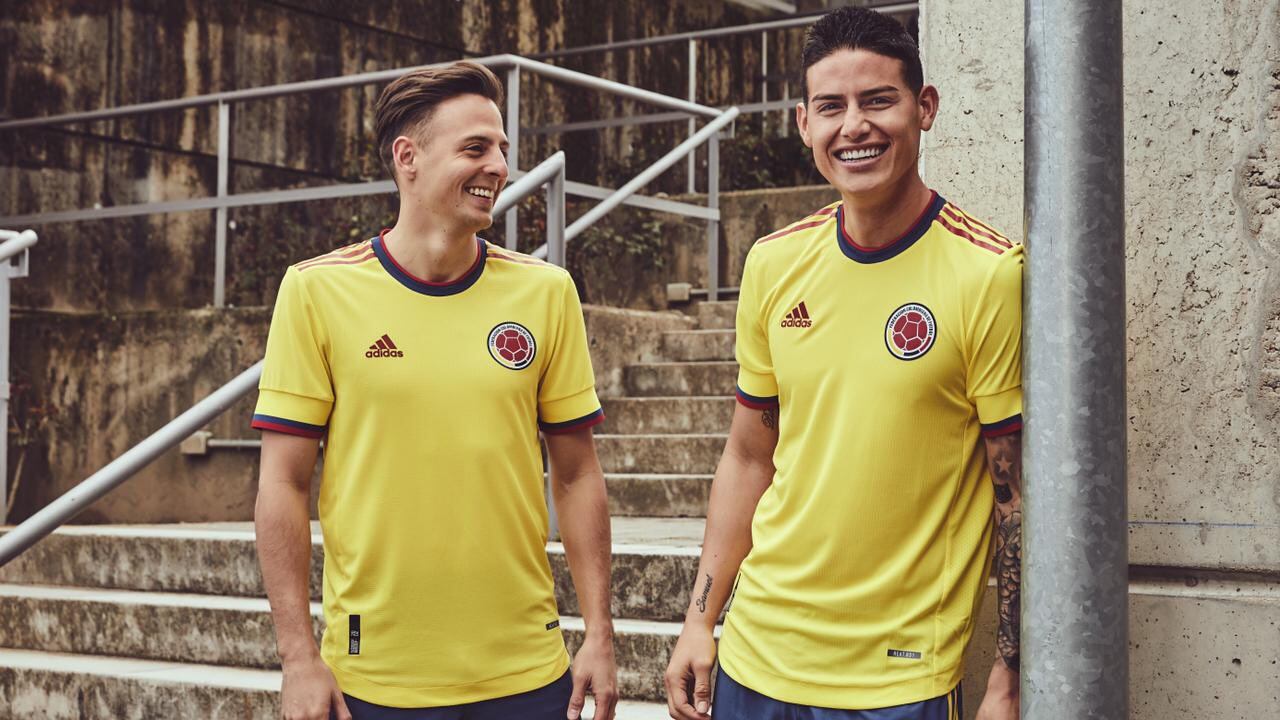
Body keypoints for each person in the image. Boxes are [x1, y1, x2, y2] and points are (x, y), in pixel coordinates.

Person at [664, 7, 1023, 720]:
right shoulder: (773, 263)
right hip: (755, 658)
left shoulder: (987, 273)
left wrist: (1008, 680)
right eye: (831, 107)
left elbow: (1014, 497)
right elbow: (746, 456)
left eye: (877, 100)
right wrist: (700, 620)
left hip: (898, 681)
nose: (852, 126)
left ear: (925, 109)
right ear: (804, 124)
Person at [252, 61, 617, 720]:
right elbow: (282, 484)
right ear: (408, 157)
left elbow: (577, 473)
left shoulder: (545, 292)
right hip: (375, 678)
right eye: (476, 148)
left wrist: (600, 636)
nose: (499, 166)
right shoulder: (316, 291)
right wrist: (299, 658)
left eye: (503, 149)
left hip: (527, 674)